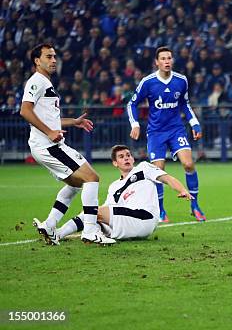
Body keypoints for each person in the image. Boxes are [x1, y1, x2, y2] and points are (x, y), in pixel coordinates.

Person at [21, 43, 114, 245]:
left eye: (54, 56)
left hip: (49, 145)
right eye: (48, 57)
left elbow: (49, 118)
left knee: (75, 184)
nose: (54, 60)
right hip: (48, 146)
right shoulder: (37, 81)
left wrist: (73, 122)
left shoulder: (46, 83)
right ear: (37, 61)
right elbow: (25, 110)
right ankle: (90, 230)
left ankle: (50, 224)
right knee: (91, 178)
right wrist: (49, 132)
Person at [127, 46, 206, 223]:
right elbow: (131, 104)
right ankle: (161, 210)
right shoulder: (148, 82)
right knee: (159, 170)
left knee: (188, 164)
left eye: (169, 58)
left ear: (172, 60)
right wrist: (135, 124)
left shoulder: (181, 80)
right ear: (157, 62)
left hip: (176, 129)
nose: (167, 61)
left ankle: (195, 206)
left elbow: (185, 104)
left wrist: (194, 123)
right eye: (163, 59)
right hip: (156, 132)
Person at [54, 145, 192, 241]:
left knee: (94, 213)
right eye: (121, 156)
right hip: (129, 221)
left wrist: (182, 190)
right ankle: (60, 234)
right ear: (115, 163)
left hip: (145, 217)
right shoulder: (114, 186)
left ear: (132, 159)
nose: (126, 158)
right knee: (91, 215)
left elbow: (167, 178)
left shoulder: (143, 168)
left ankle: (59, 234)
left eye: (128, 155)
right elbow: (109, 208)